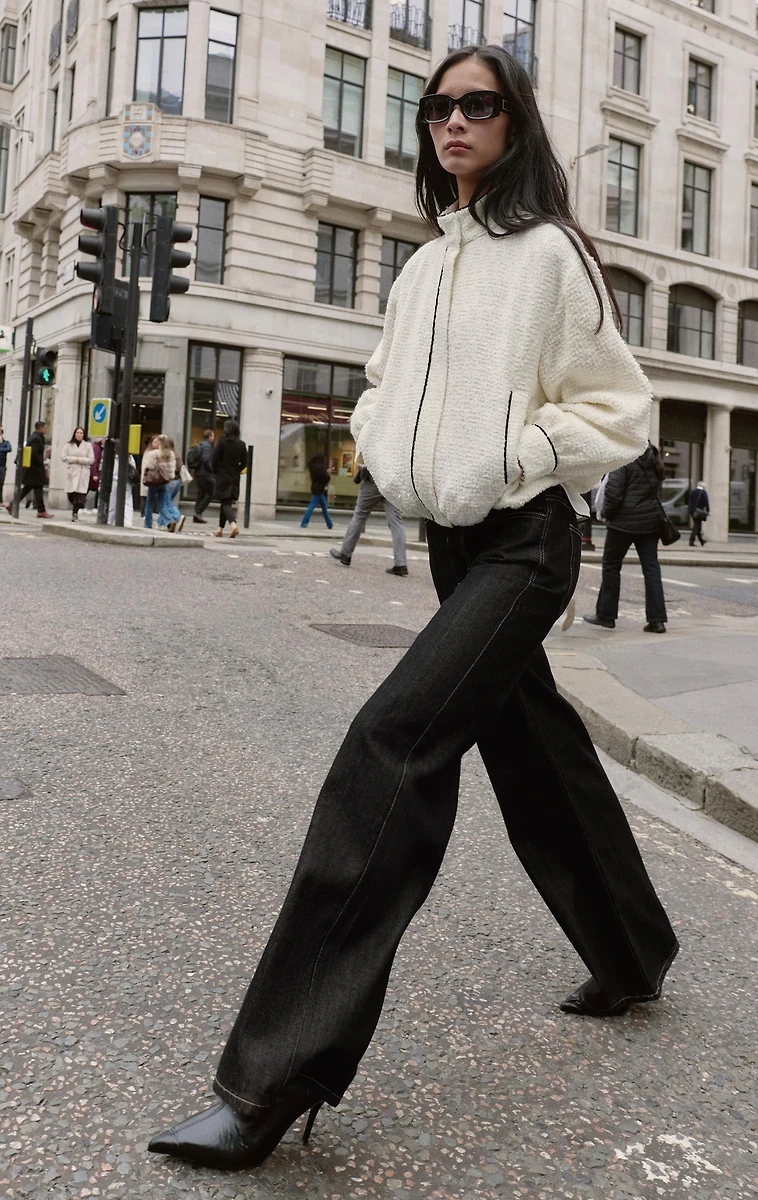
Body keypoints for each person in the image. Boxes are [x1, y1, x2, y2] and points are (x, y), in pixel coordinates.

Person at [150, 44, 678, 1173]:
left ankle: (272, 1078)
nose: (452, 122)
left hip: (525, 543)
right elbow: (383, 385)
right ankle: (633, 953)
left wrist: (516, 456)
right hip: (451, 542)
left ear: (514, 121)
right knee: (535, 749)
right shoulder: (424, 265)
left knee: (390, 746)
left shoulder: (550, 254)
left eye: (477, 104)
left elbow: (618, 409)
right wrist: (389, 453)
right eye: (437, 107)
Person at [584, 442, 668, 634]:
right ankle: (657, 620)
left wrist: (607, 514)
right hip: (650, 522)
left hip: (623, 523)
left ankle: (606, 615)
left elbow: (613, 493)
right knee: (651, 569)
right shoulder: (654, 459)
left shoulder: (625, 458)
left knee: (611, 565)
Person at [330, 464, 408, 575]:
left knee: (359, 514)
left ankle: (345, 553)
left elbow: (367, 458)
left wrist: (363, 471)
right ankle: (400, 564)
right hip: (394, 481)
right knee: (396, 521)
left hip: (374, 478)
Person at [8, 421, 52, 518]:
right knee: (32, 489)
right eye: (45, 427)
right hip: (34, 470)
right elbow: (34, 454)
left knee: (33, 489)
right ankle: (40, 510)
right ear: (40, 428)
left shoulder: (36, 437)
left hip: (33, 470)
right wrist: (40, 463)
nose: (46, 429)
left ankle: (40, 510)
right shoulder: (36, 438)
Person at [212, 418, 247, 538]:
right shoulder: (241, 445)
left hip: (223, 474)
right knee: (226, 502)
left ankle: (233, 525)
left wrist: (216, 470)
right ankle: (220, 529)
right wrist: (237, 470)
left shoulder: (222, 442)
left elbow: (214, 458)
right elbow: (244, 463)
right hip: (234, 476)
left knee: (225, 502)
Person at [141, 435, 182, 532]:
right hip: (165, 481)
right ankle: (170, 521)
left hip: (154, 481)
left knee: (149, 503)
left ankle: (148, 524)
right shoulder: (171, 454)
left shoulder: (154, 453)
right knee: (162, 504)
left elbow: (149, 466)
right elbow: (172, 469)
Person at [61, 427, 95, 521]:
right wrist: (73, 459)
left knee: (80, 494)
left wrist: (79, 460)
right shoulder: (68, 445)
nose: (79, 435)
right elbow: (63, 457)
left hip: (83, 471)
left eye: (81, 433)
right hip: (72, 471)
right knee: (71, 493)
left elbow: (91, 459)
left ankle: (75, 512)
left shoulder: (88, 445)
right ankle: (74, 508)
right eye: (77, 433)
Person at [299, 452, 333, 529]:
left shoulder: (313, 467)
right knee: (312, 506)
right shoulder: (320, 468)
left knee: (324, 507)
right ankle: (304, 522)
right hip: (319, 489)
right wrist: (328, 473)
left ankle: (329, 524)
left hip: (315, 487)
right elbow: (325, 478)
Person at [188, 428, 215, 523]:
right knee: (211, 492)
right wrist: (212, 470)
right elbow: (206, 459)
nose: (213, 438)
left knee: (201, 493)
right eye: (213, 436)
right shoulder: (207, 446)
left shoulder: (200, 444)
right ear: (209, 436)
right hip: (204, 473)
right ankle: (198, 512)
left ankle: (197, 515)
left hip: (198, 472)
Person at [688, 480, 710, 547]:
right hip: (699, 511)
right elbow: (706, 502)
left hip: (692, 510)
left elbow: (690, 500)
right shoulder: (703, 492)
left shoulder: (693, 492)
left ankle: (701, 541)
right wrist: (708, 510)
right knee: (697, 525)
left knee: (698, 525)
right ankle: (691, 540)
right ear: (703, 486)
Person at [0, 428, 11, 501]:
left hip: (2, 465)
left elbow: (9, 449)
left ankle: (0, 500)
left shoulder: (6, 443)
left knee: (1, 483)